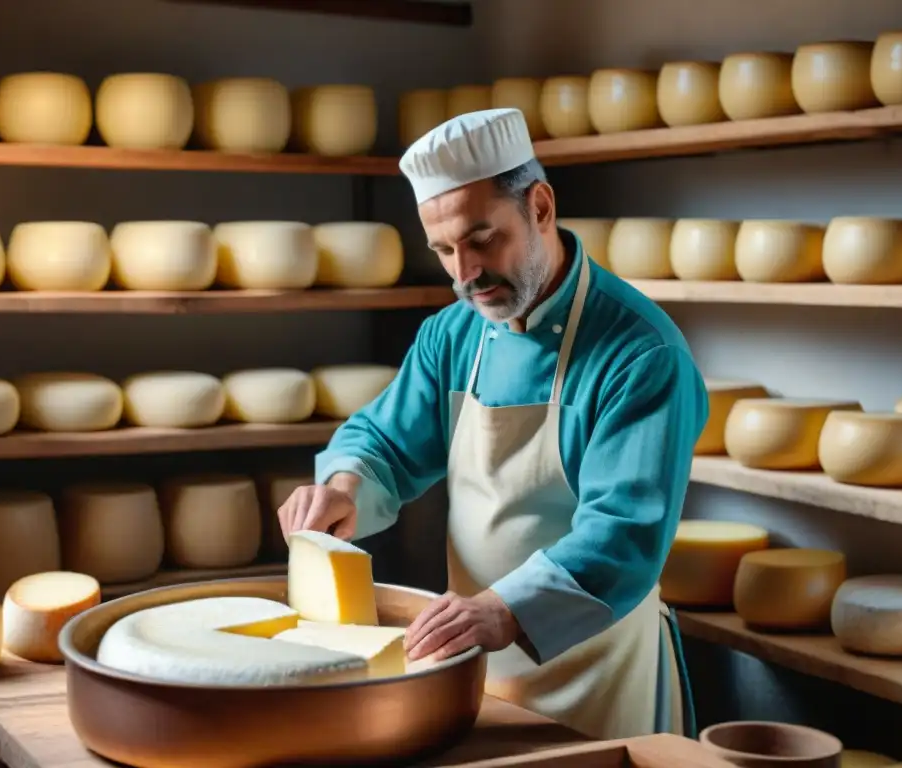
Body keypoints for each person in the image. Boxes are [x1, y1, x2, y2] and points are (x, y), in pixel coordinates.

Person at [278, 108, 709, 741]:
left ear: (540, 207)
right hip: (473, 660)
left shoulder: (641, 354)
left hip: (600, 674)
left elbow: (624, 537)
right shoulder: (452, 335)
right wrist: (344, 487)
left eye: (483, 239)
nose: (465, 274)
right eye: (445, 250)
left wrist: (505, 609)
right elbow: (386, 442)